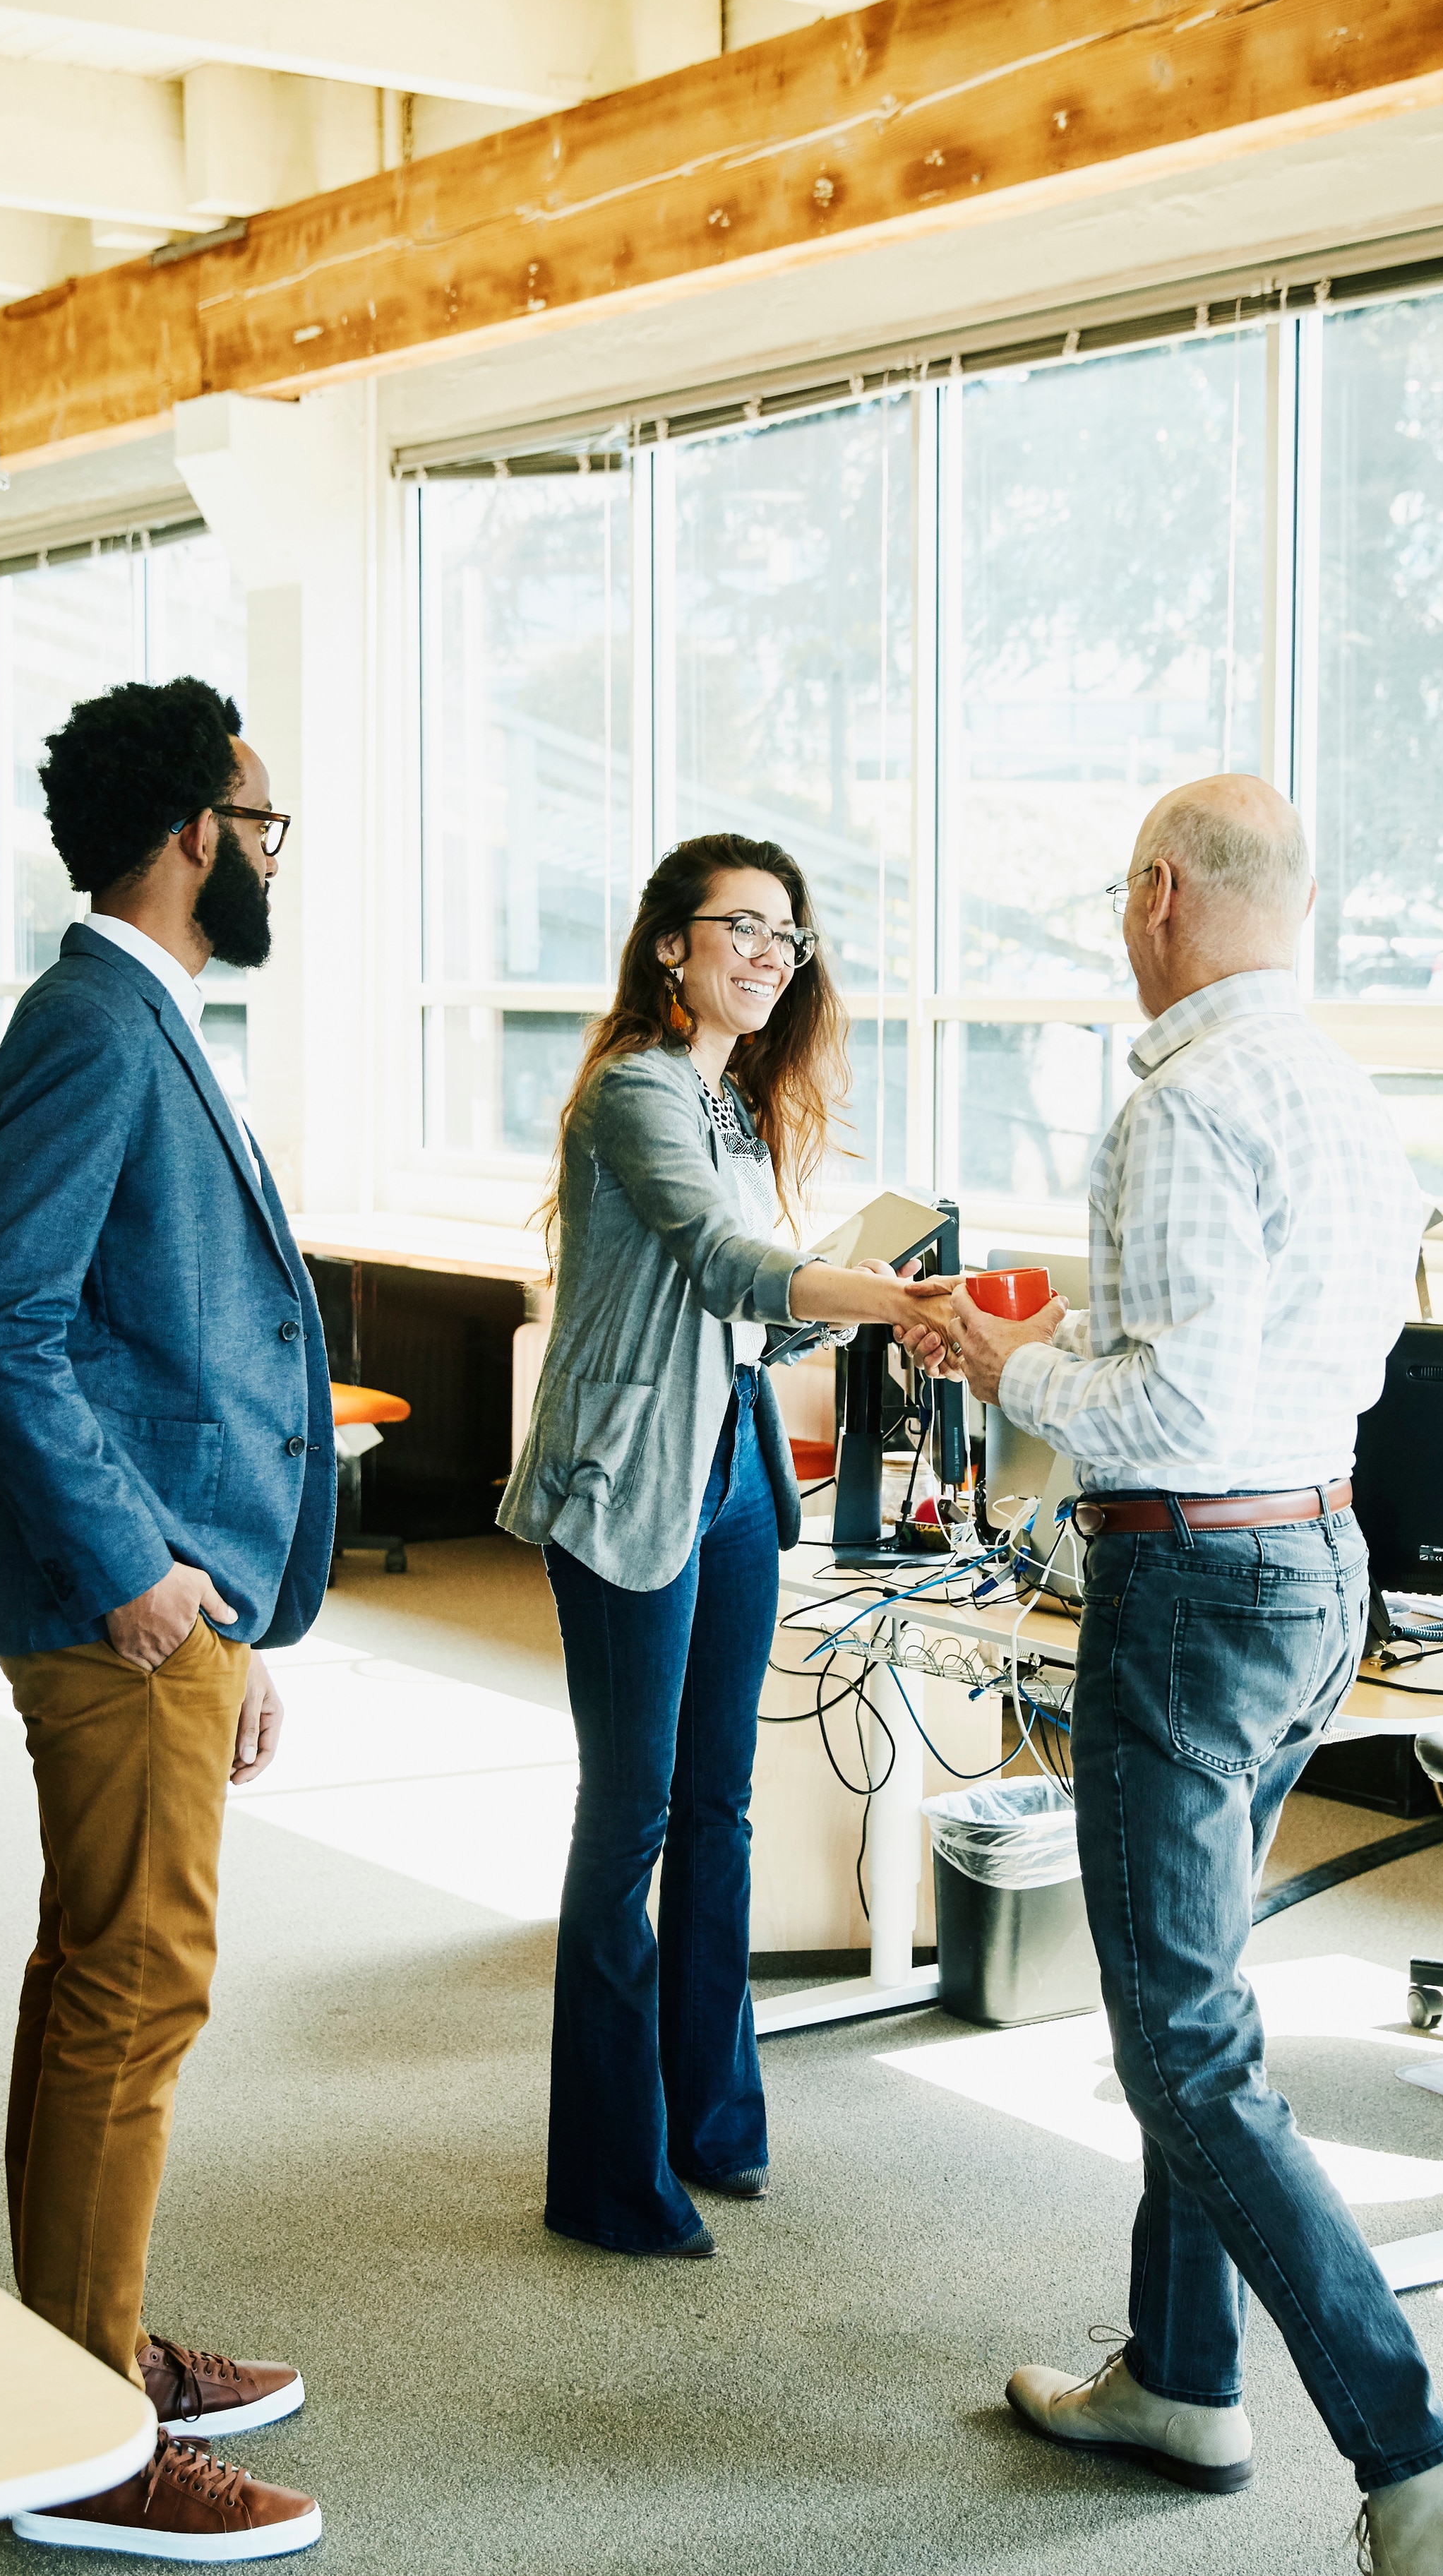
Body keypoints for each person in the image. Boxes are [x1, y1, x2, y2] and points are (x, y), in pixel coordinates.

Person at [941, 777, 1443, 2576]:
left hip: (1195, 1581)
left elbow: (1170, 1405)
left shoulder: (1181, 1100)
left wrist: (1007, 1377)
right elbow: (1263, 1354)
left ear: (1157, 895)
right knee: (1191, 1989)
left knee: (1184, 2044)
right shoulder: (1338, 1092)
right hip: (1313, 1566)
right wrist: (1044, 1335)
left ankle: (1418, 2456)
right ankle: (1185, 2374)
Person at [0, 677, 331, 2560]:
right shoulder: (96, 1020)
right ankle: (87, 2440)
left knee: (94, 1972)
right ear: (194, 831)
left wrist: (220, 1597)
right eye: (263, 824)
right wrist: (147, 1574)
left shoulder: (137, 1009)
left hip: (173, 1589)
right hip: (121, 1600)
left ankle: (66, 2354)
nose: (271, 857)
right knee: (133, 1985)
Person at [498, 834, 938, 2259]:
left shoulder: (735, 1107)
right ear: (670, 944)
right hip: (634, 1479)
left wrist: (876, 1294)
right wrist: (866, 1288)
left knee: (718, 1805)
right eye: (739, 926)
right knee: (627, 1817)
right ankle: (608, 2176)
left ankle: (712, 2118)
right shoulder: (637, 1089)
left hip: (734, 1466)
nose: (766, 952)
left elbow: (749, 1315)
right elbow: (721, 1260)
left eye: (787, 935)